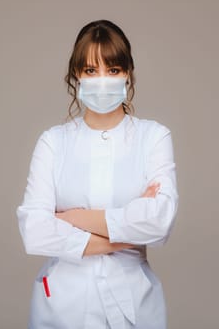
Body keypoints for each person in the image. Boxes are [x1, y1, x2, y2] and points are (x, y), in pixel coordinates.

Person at [16, 19, 179, 329]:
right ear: (77, 74)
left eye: (113, 70)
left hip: (134, 301)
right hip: (64, 304)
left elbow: (159, 221)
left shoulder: (153, 137)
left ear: (128, 74)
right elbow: (35, 232)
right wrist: (125, 231)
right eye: (91, 71)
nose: (102, 80)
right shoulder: (53, 142)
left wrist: (70, 218)